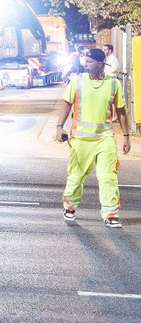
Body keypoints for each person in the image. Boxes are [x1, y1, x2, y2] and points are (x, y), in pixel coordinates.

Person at [55, 48, 131, 228]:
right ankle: (70, 207)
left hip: (105, 138)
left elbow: (121, 112)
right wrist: (59, 127)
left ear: (99, 64)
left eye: (88, 62)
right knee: (76, 176)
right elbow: (66, 104)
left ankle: (111, 214)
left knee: (108, 177)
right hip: (80, 139)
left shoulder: (114, 84)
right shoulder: (77, 81)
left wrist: (126, 137)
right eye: (84, 61)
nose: (84, 65)